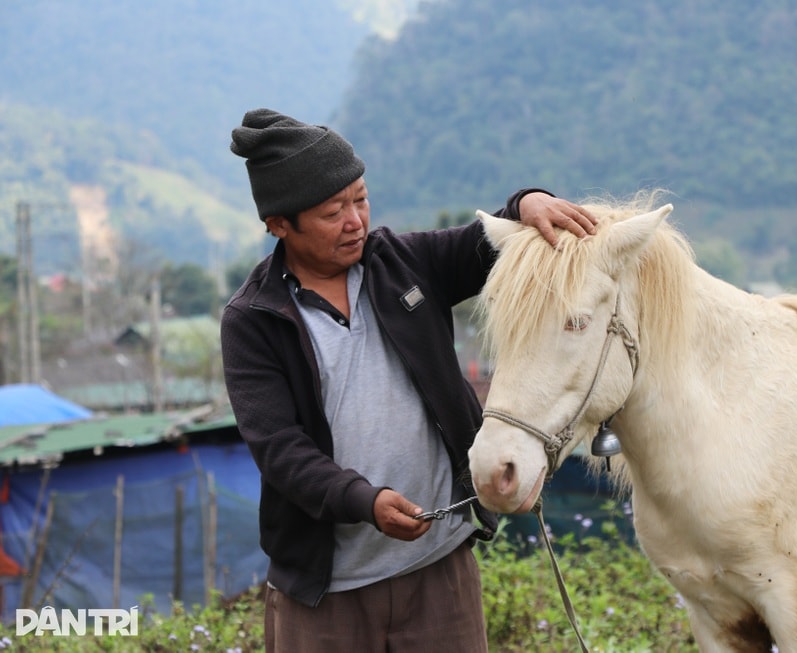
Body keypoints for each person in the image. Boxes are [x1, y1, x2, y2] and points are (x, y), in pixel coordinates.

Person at [221, 108, 596, 652]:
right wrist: (364, 501)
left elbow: (486, 240)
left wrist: (526, 203)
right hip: (327, 595)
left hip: (439, 574)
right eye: (333, 212)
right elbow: (280, 450)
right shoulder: (255, 319)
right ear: (280, 224)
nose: (355, 221)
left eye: (360, 199)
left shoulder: (403, 264)